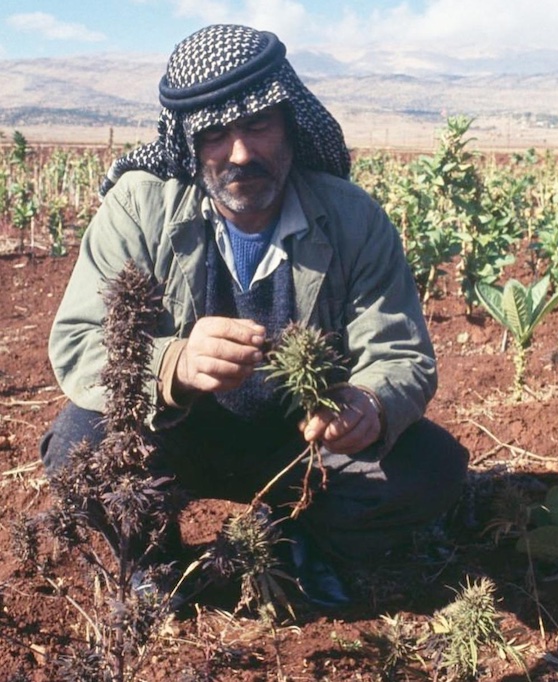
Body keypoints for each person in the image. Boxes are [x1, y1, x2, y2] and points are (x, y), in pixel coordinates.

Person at [41, 24, 469, 610]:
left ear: (289, 124)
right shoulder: (138, 209)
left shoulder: (352, 219)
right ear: (190, 143)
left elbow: (400, 353)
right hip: (173, 440)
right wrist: (175, 362)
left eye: (257, 125)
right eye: (215, 134)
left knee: (431, 466)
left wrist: (371, 403)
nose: (239, 152)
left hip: (303, 451)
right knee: (77, 448)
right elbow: (79, 341)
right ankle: (151, 556)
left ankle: (301, 538)